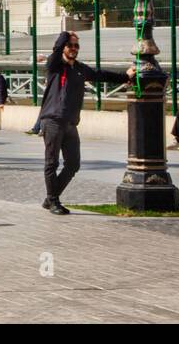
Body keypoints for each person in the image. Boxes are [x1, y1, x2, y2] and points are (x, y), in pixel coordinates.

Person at [39, 30, 133, 215]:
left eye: (76, 46)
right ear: (63, 47)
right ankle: (54, 201)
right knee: (51, 163)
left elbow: (101, 74)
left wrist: (126, 76)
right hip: (53, 120)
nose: (73, 48)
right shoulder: (55, 66)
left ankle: (50, 197)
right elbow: (57, 48)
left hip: (71, 123)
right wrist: (66, 34)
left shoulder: (80, 69)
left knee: (73, 164)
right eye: (70, 45)